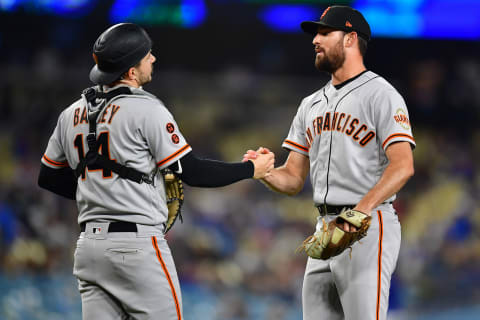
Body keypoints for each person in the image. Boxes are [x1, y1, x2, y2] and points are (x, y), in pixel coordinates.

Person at [38, 23, 274, 320]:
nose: (153, 59)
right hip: (136, 248)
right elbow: (192, 171)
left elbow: (47, 176)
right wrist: (251, 169)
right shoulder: (147, 109)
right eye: (146, 55)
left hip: (89, 249)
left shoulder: (70, 113)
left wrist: (101, 193)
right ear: (131, 71)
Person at [243, 6, 415, 320]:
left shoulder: (381, 94)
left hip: (367, 226)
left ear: (350, 39)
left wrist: (359, 213)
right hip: (324, 229)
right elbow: (293, 178)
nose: (315, 40)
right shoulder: (310, 104)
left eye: (325, 33)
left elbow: (403, 166)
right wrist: (264, 172)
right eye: (315, 34)